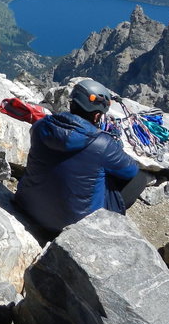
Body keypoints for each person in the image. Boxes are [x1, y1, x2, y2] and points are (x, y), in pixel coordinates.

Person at [14, 79, 144, 238]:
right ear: (97, 116)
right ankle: (107, 224)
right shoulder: (102, 143)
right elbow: (131, 171)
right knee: (139, 178)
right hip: (73, 227)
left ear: (72, 104)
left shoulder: (42, 126)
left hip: (28, 205)